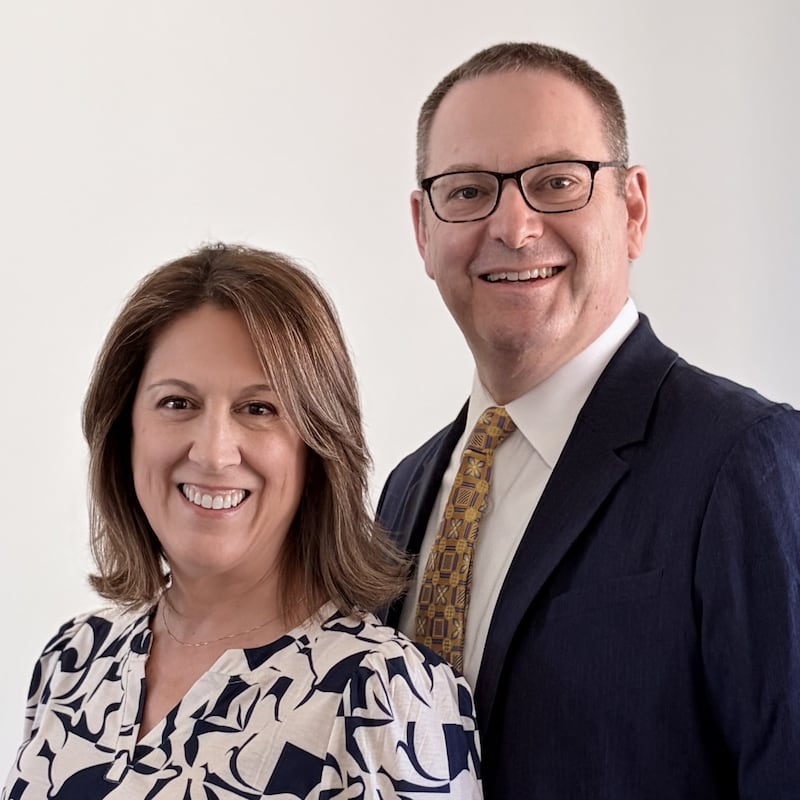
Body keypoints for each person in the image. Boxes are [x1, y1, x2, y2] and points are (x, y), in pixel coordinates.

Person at [377, 41, 800, 799]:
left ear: (632, 208)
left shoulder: (744, 461)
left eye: (557, 183)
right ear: (423, 228)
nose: (515, 225)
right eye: (469, 191)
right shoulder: (407, 491)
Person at [3, 244, 482, 799]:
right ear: (124, 431)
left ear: (316, 446)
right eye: (178, 403)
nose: (213, 452)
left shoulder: (386, 696)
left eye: (258, 409)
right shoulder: (74, 660)